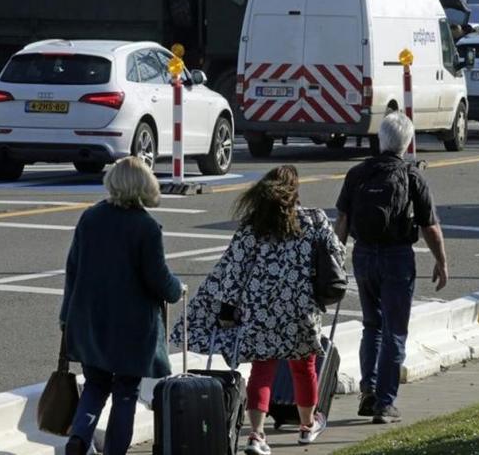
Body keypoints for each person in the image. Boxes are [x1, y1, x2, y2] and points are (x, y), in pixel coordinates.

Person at [173, 165, 345, 455]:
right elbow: (337, 252)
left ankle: (256, 434)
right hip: (300, 309)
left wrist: (227, 310)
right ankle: (307, 426)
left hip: (259, 310)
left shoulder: (254, 224)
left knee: (262, 370)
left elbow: (234, 269)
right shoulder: (314, 220)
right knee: (304, 368)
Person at [59, 156, 183, 455]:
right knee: (126, 393)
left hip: (90, 318)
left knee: (94, 384)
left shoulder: (90, 217)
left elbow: (72, 269)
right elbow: (157, 278)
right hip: (131, 326)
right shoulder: (147, 227)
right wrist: (176, 289)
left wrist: (66, 316)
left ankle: (79, 436)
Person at [335, 113, 448, 424]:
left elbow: (342, 221)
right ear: (408, 142)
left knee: (371, 325)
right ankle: (385, 403)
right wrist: (441, 260)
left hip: (363, 256)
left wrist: (336, 259)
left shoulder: (357, 173)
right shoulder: (412, 176)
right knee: (394, 331)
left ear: (380, 139)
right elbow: (430, 226)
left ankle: (368, 390)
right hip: (397, 257)